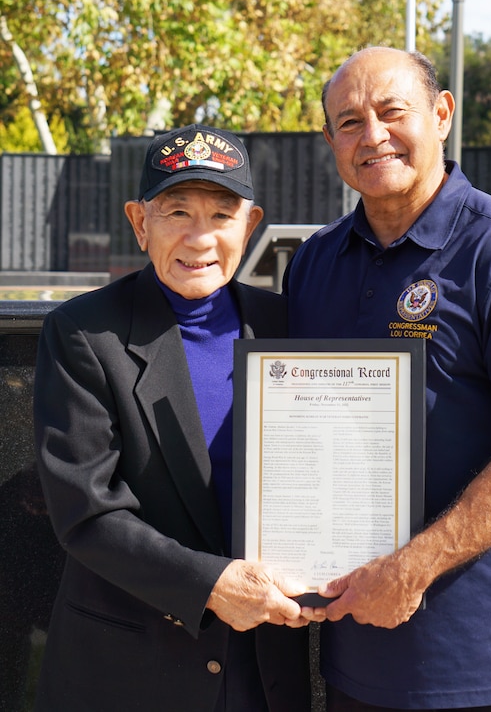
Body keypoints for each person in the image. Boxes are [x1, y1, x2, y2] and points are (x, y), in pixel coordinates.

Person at [285, 47, 491, 711]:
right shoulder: (315, 263)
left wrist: (412, 568)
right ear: (329, 142)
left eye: (391, 111)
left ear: (442, 114)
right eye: (348, 122)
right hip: (357, 651)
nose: (372, 135)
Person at [33, 124, 311, 712]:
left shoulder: (288, 328)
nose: (199, 236)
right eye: (175, 210)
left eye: (221, 214)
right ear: (139, 222)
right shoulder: (84, 333)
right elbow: (86, 510)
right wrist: (209, 585)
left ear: (251, 225)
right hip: (134, 671)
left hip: (264, 670)